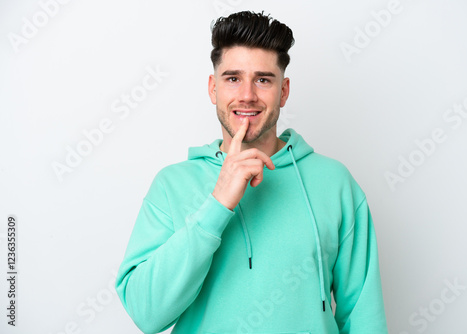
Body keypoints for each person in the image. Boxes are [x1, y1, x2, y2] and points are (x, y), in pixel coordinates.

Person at [115, 10, 388, 334]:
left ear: (283, 91)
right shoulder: (172, 185)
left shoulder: (335, 183)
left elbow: (363, 315)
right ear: (213, 88)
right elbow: (146, 314)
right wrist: (217, 204)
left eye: (263, 79)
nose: (247, 95)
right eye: (233, 78)